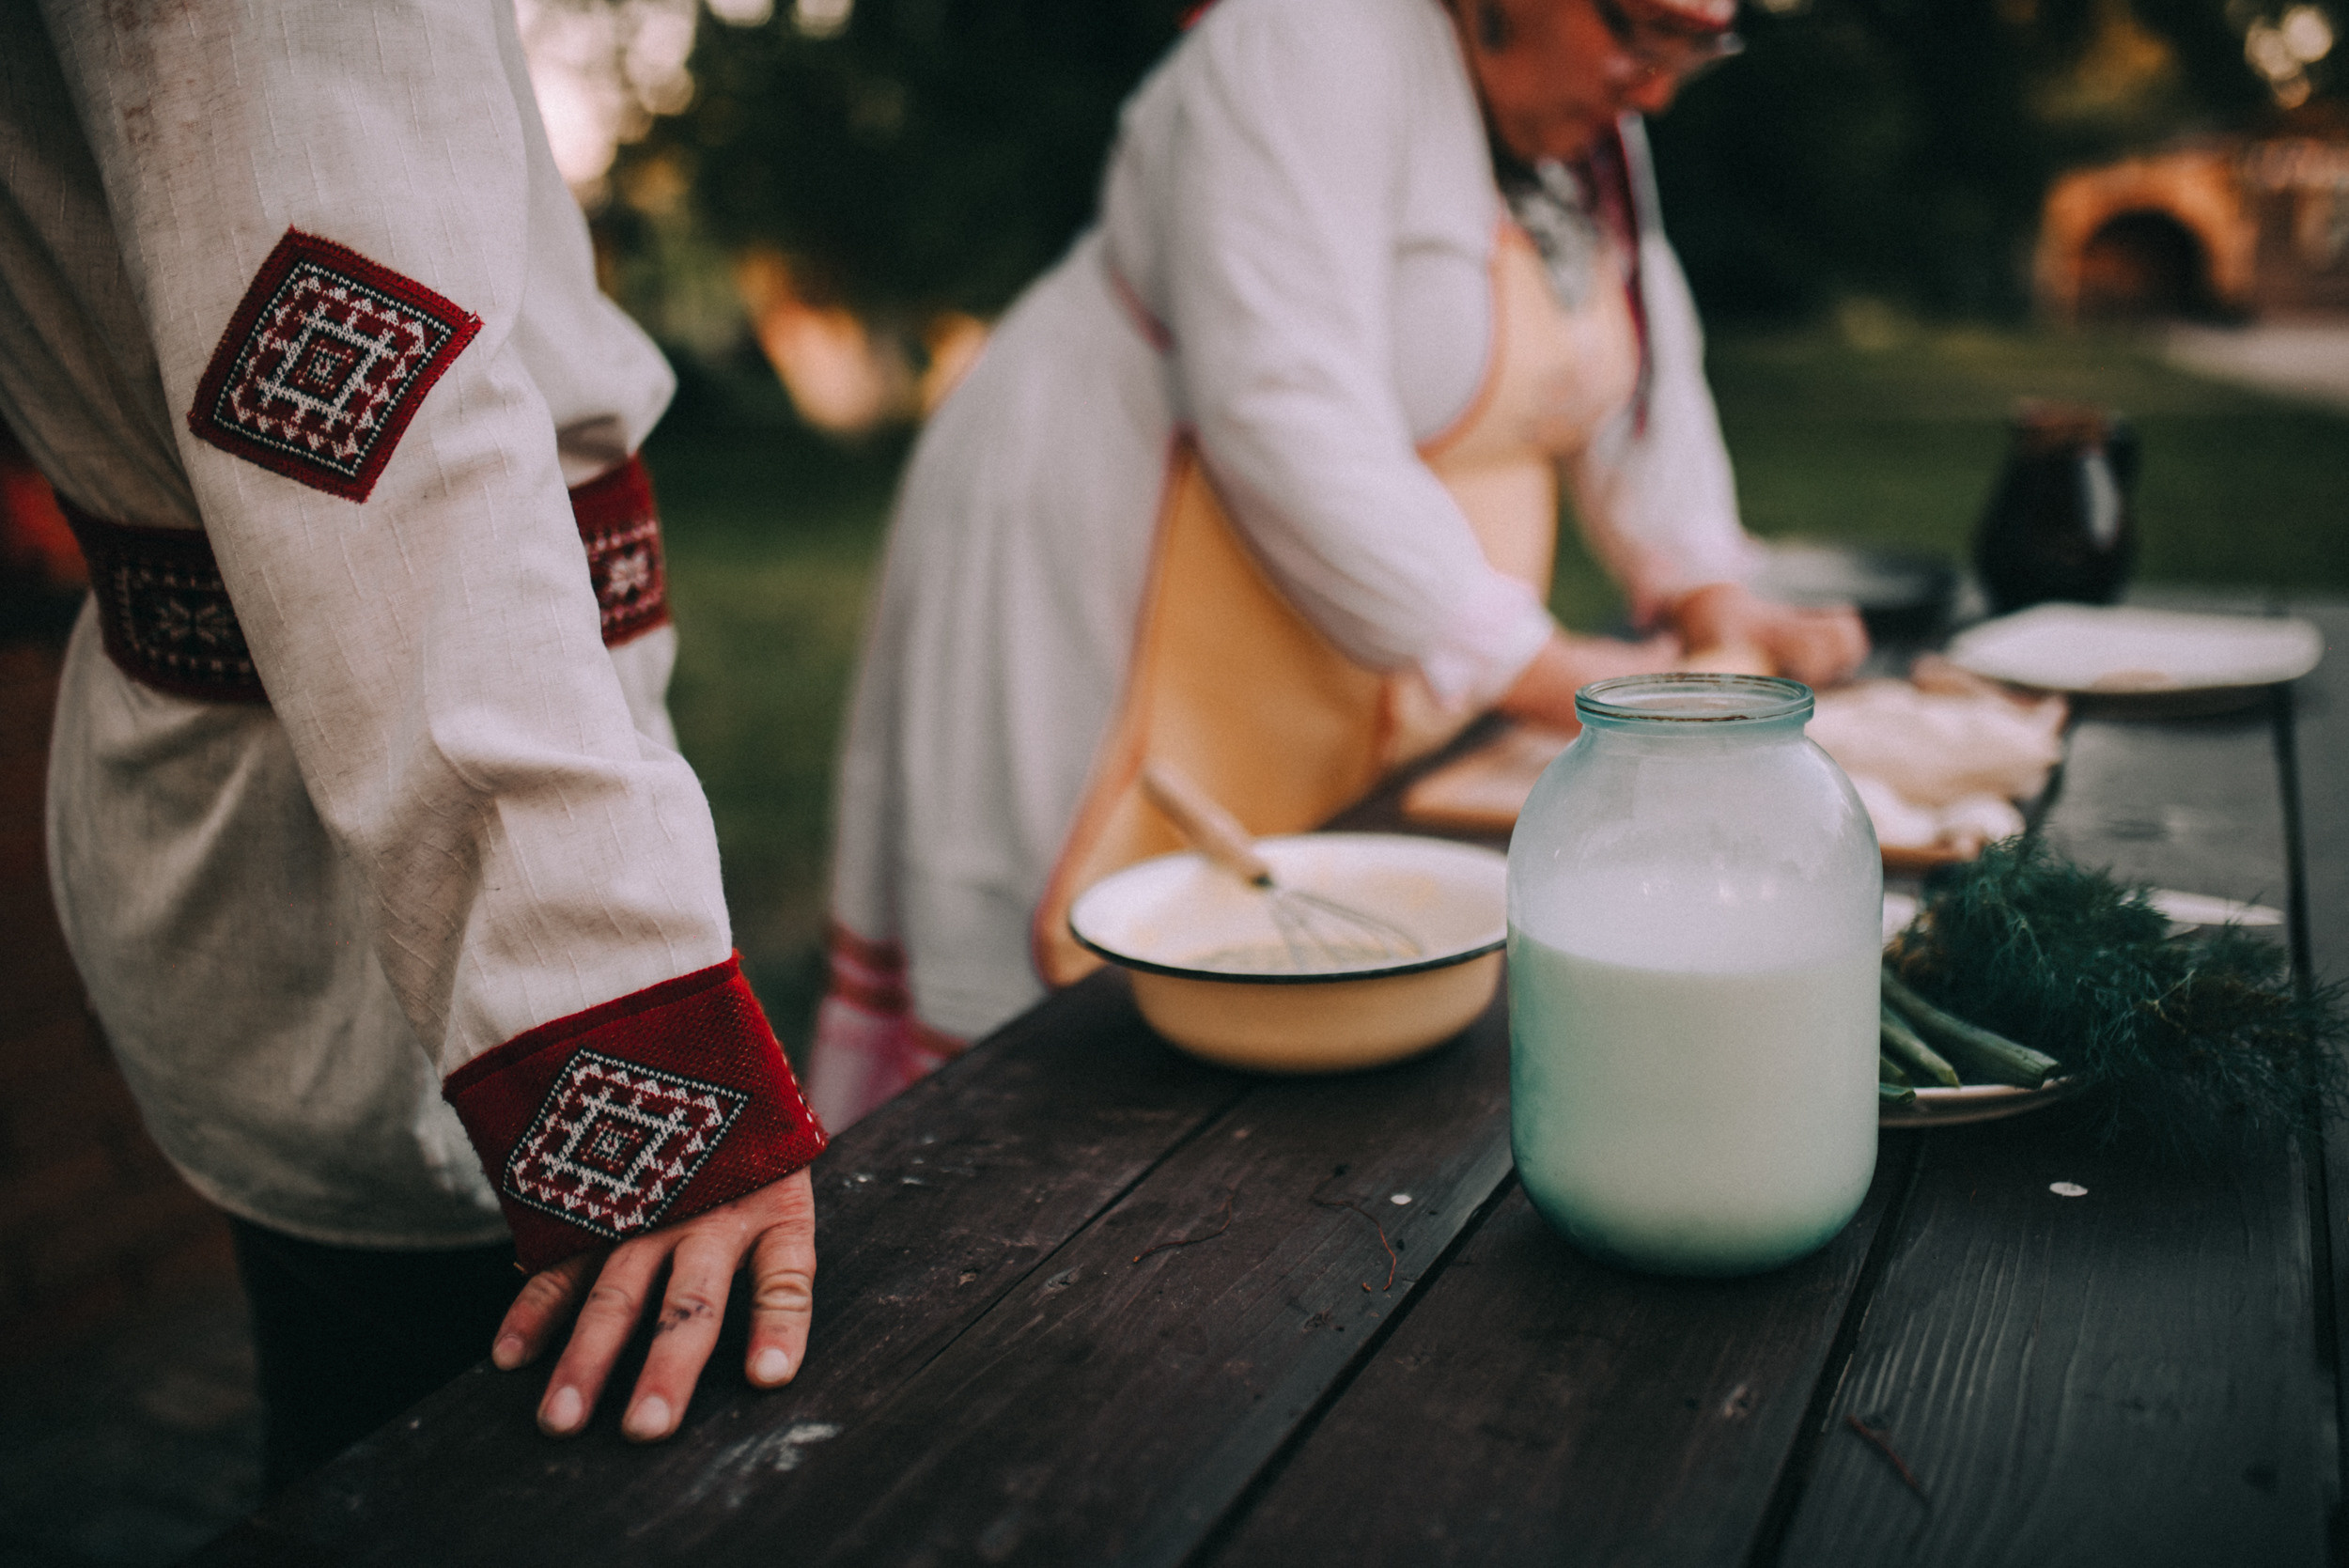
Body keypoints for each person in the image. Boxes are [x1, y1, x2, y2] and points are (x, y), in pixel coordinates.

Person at [1, 0, 826, 1485]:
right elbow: (356, 398)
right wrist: (617, 1028)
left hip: (426, 774)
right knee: (479, 1471)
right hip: (357, 857)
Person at [807, 0, 1867, 1128]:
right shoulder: (1303, 35)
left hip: (1328, 609)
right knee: (1075, 1031)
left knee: (1293, 968)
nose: (1651, 87)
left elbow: (1625, 371)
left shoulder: (1588, 115)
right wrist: (1554, 672)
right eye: (1638, 30)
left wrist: (1706, 583)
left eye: (1692, 48)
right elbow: (1284, 407)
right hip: (1103, 557)